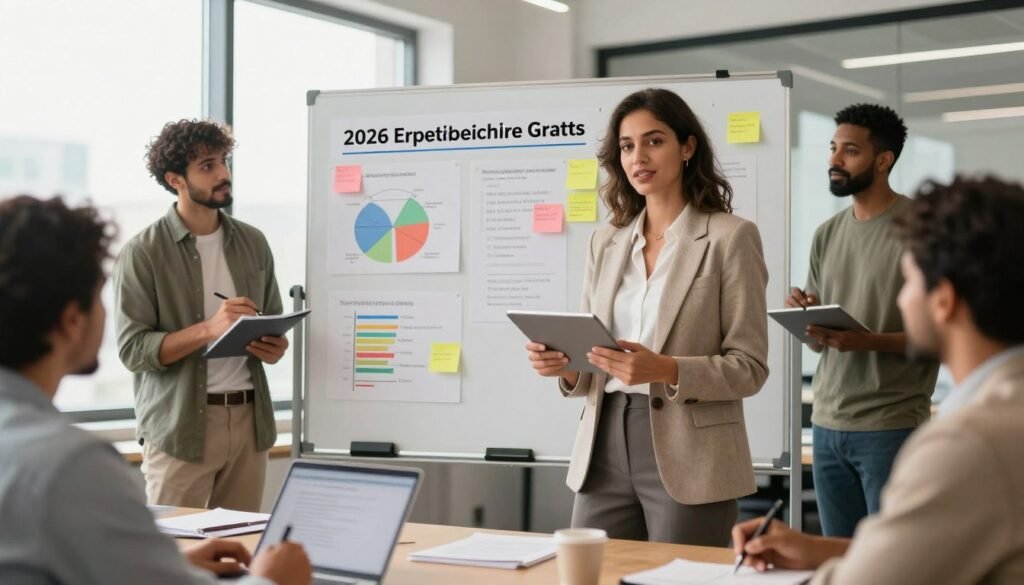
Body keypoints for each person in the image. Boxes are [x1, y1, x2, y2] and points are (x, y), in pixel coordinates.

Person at [0, 195, 312, 585]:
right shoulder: (72, 467)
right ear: (70, 321)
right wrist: (273, 579)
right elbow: (135, 349)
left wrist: (173, 566)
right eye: (99, 295)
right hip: (179, 427)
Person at [734, 176, 1024, 584]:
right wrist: (819, 549)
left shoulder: (969, 444)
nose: (902, 299)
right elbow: (924, 549)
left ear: (943, 300)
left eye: (908, 283)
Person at [525, 88, 769, 545]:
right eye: (627, 145)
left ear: (687, 147)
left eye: (654, 141)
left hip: (691, 451)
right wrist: (563, 364)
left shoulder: (730, 238)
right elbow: (590, 349)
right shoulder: (607, 240)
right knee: (590, 577)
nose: (639, 156)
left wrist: (667, 369)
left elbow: (749, 368)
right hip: (603, 442)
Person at [113, 119, 287, 511]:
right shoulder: (143, 252)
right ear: (176, 179)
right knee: (170, 560)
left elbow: (272, 323)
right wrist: (210, 328)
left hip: (249, 422)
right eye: (207, 166)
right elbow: (133, 350)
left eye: (223, 161)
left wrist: (274, 345)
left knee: (239, 552)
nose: (223, 173)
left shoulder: (253, 242)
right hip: (180, 428)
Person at [787, 103, 939, 537]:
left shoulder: (921, 229)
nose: (834, 160)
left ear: (883, 160)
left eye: (850, 151)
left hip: (891, 426)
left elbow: (939, 339)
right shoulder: (827, 233)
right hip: (827, 424)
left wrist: (864, 341)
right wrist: (806, 318)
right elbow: (820, 343)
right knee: (842, 560)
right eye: (833, 148)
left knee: (893, 563)